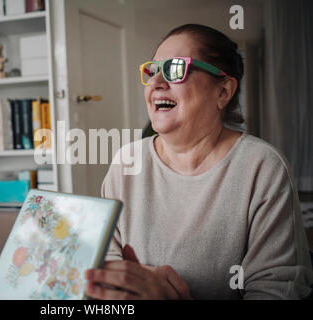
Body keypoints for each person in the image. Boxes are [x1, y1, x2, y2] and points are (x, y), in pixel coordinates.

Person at [84, 24, 313, 300]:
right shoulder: (127, 162)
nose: (156, 82)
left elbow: (275, 292)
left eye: (175, 69)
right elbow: (105, 268)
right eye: (152, 70)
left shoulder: (262, 167)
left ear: (223, 92)